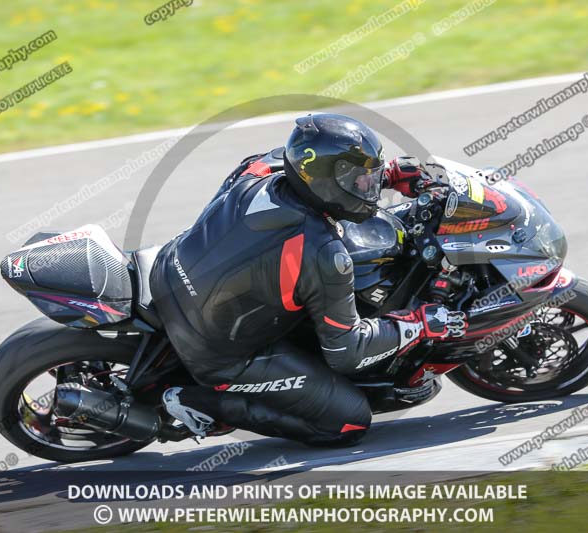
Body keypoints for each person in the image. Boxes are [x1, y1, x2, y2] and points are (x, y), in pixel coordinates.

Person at [151, 113, 467, 446]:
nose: (369, 187)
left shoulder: (266, 166)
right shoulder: (323, 253)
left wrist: (387, 174)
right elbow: (348, 351)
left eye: (369, 177)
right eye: (361, 179)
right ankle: (197, 402)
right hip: (215, 351)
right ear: (327, 181)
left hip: (168, 268)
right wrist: (418, 323)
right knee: (347, 423)